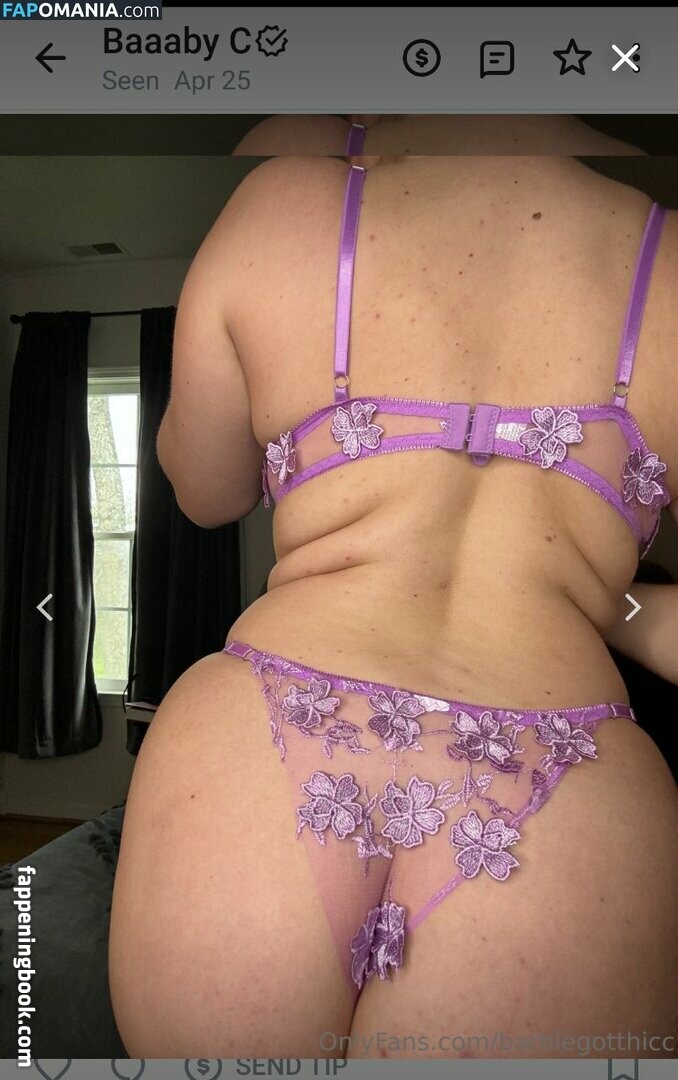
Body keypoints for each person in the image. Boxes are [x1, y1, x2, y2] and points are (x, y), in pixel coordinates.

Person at [109, 115, 678, 1059]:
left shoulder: (285, 200)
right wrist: (593, 599)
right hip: (566, 773)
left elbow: (204, 492)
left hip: (274, 711)